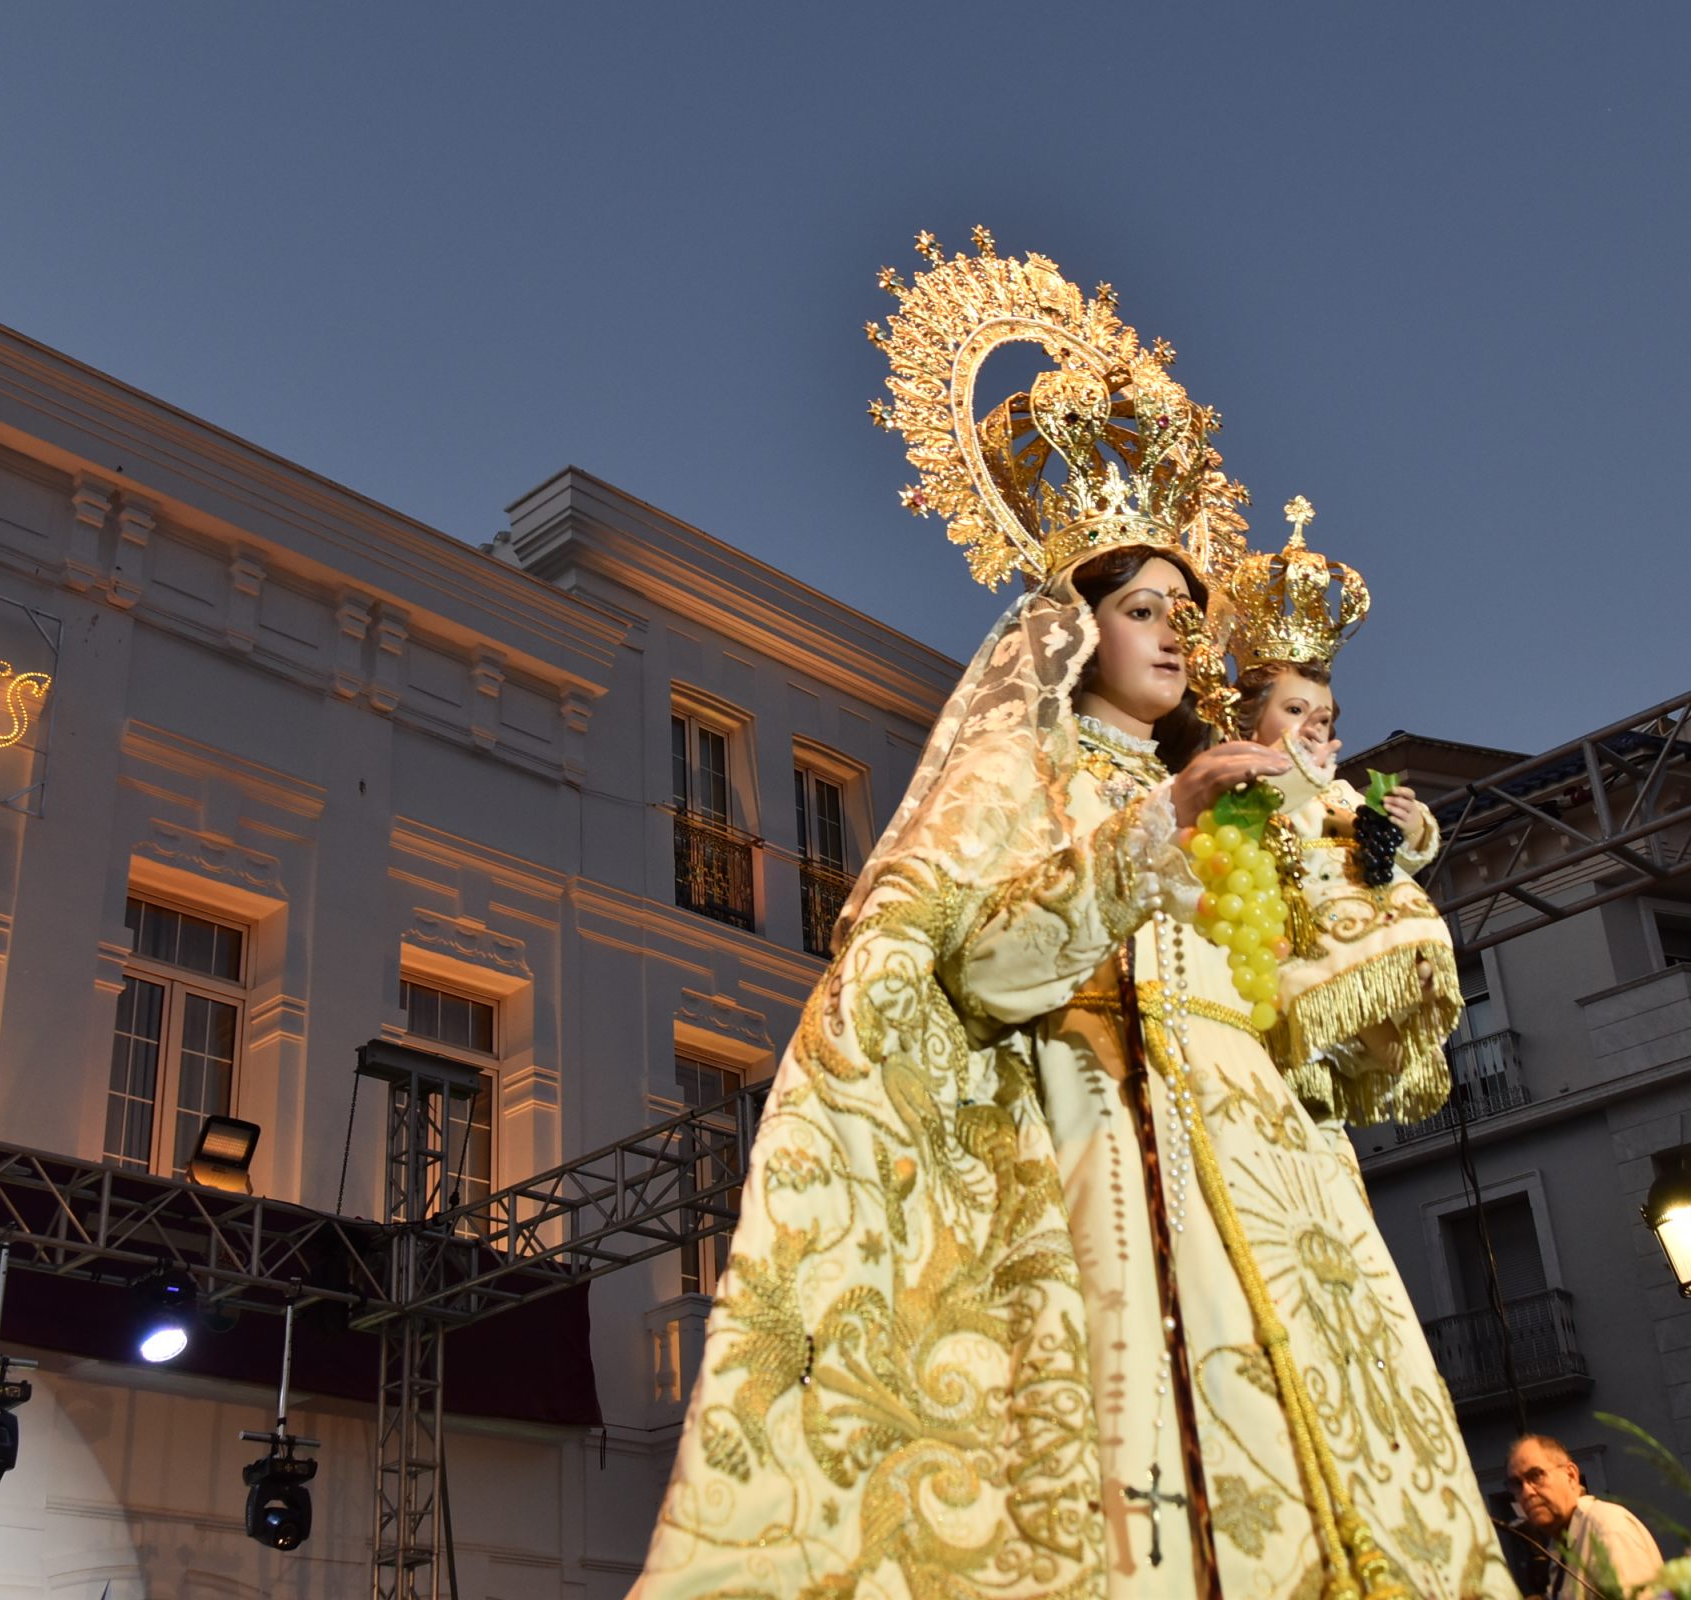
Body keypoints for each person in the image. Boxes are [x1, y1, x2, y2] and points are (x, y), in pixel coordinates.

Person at [631, 235, 1515, 1598]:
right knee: (1120, 1473)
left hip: (1257, 1165)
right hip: (1093, 1136)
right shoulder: (1018, 771)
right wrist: (1144, 835)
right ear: (1073, 626)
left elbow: (1305, 1008)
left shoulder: (1221, 799)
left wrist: (1367, 880)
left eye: (1187, 615)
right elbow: (978, 957)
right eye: (1145, 608)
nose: (1175, 634)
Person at [1222, 505, 1460, 1130]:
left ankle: (1385, 1027)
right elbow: (1241, 826)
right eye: (1295, 710)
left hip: (1356, 921)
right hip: (1275, 936)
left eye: (1323, 718)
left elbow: (1386, 844)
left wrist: (1407, 827)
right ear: (1253, 718)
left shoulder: (1341, 792)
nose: (1312, 727)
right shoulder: (1231, 774)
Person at [1502, 1435, 1663, 1600]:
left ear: (1571, 1475)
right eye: (1516, 1484)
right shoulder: (1560, 1543)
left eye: (1536, 1475)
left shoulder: (1606, 1527)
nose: (1526, 1492)